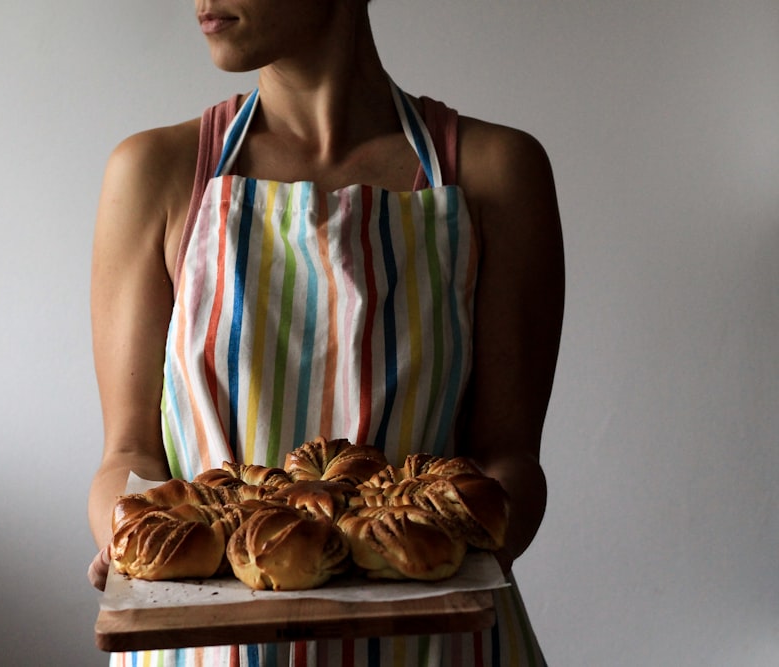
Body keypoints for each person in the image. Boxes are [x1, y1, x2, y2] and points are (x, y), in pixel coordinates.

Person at [87, 1, 563, 665]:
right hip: (204, 648)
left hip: (436, 650)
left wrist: (428, 549)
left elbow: (511, 460)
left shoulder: (496, 173)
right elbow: (129, 452)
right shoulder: (153, 173)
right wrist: (128, 529)